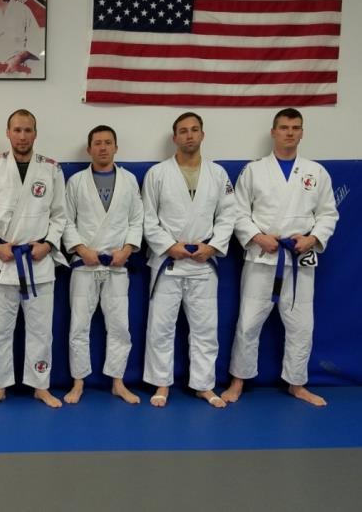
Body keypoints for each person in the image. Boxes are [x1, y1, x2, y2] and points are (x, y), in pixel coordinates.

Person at [222, 108, 339, 407]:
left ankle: (297, 383)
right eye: (284, 127)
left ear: (302, 133)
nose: (290, 132)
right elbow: (238, 212)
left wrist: (313, 238)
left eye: (295, 128)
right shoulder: (254, 170)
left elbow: (328, 214)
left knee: (301, 325)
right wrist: (257, 236)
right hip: (262, 257)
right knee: (249, 322)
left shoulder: (316, 172)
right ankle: (238, 380)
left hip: (300, 258)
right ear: (273, 132)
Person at [142, 112, 236, 408]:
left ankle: (204, 385)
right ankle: (161, 383)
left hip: (203, 263)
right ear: (175, 137)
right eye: (183, 131)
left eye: (194, 130)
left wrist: (213, 246)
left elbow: (228, 215)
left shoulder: (218, 174)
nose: (189, 135)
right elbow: (147, 219)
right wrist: (169, 246)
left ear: (202, 135)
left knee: (205, 328)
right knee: (161, 327)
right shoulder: (157, 174)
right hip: (168, 263)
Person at [0, 109, 67, 409]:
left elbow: (60, 215)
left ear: (35, 134)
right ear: (8, 133)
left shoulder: (51, 169)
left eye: (28, 130)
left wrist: (48, 244)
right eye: (17, 130)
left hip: (38, 261)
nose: (22, 136)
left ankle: (40, 385)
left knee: (41, 330)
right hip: (3, 260)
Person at [62, 125, 143, 404]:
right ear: (89, 149)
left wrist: (127, 250)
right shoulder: (76, 182)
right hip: (84, 264)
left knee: (120, 326)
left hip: (117, 265)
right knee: (78, 326)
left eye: (108, 142)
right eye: (97, 143)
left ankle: (118, 382)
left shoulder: (129, 180)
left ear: (116, 147)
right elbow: (66, 221)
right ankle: (78, 382)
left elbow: (137, 220)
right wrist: (81, 249)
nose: (103, 147)